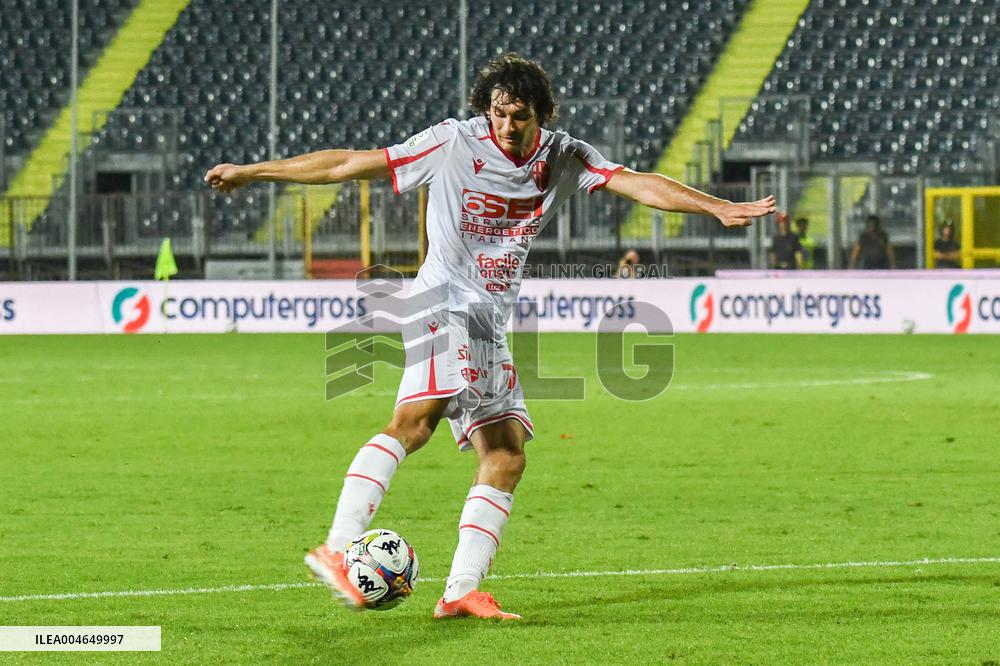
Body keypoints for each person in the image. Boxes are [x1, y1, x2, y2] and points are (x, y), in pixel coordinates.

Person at [204, 52, 774, 621]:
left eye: (518, 116)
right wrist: (255, 172)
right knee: (415, 423)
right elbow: (349, 165)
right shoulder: (453, 141)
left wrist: (715, 207)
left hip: (488, 322)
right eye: (498, 113)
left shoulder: (564, 155)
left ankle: (460, 591)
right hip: (441, 303)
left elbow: (638, 184)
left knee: (504, 455)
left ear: (542, 116)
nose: (505, 126)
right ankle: (337, 546)